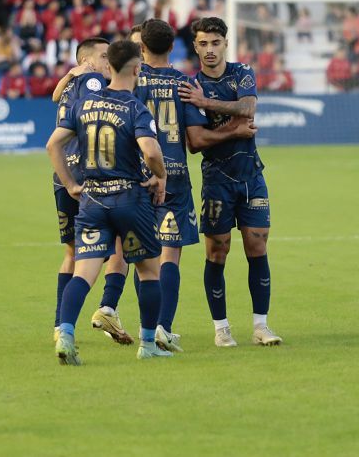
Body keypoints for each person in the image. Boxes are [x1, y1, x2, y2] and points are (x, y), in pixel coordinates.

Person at [133, 19, 257, 351]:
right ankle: (163, 328)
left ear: (141, 47)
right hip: (173, 176)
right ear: (174, 47)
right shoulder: (183, 84)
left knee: (144, 255)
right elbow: (195, 138)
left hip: (136, 176)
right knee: (170, 255)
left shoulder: (131, 80)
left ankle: (145, 329)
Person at [46, 39, 173, 363]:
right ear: (136, 68)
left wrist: (72, 183)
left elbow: (53, 146)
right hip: (129, 199)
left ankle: (66, 335)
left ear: (109, 67)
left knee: (83, 273)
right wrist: (159, 175)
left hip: (91, 200)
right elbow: (151, 150)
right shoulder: (134, 108)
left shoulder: (84, 104)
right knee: (148, 271)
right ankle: (148, 345)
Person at [178, 17, 282, 347]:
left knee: (257, 247)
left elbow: (247, 107)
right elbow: (195, 142)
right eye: (203, 44)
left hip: (252, 176)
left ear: (225, 43)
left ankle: (261, 326)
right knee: (217, 252)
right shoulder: (189, 87)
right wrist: (233, 129)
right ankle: (221, 329)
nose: (210, 50)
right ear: (195, 46)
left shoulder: (241, 73)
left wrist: (207, 104)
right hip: (217, 180)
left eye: (215, 43)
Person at [48, 38, 136, 346]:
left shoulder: (71, 83)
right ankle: (107, 306)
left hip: (62, 175)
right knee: (121, 244)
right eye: (103, 55)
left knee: (72, 253)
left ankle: (61, 325)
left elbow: (55, 96)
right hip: (89, 178)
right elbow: (95, 120)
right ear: (88, 61)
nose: (108, 59)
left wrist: (70, 74)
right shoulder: (95, 81)